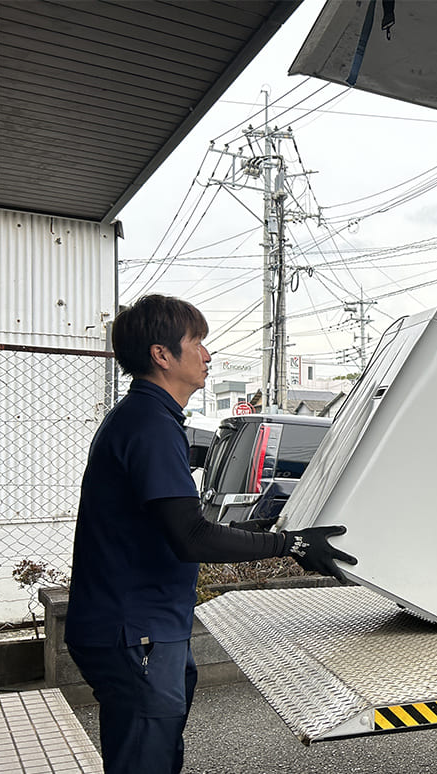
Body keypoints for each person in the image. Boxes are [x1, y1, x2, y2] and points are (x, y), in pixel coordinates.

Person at [65, 294, 357, 774]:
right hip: (135, 630)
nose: (207, 354)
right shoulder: (150, 426)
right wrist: (291, 545)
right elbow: (191, 537)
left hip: (144, 626)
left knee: (155, 750)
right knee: (146, 760)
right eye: (196, 342)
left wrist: (265, 526)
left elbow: (169, 523)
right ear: (162, 355)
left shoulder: (146, 419)